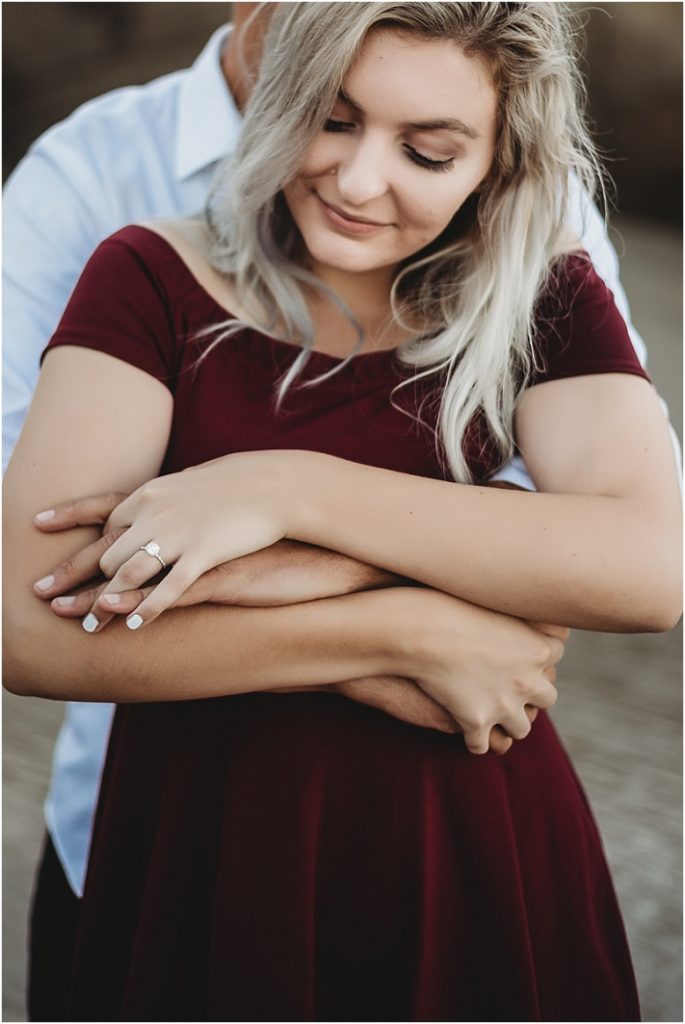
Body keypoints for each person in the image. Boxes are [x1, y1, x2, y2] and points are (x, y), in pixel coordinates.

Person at [4, 2, 681, 1020]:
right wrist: (402, 626)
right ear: (277, 95)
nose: (360, 180)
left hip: (470, 859)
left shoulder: (548, 297)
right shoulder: (144, 276)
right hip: (195, 848)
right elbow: (28, 629)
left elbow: (645, 569)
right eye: (331, 118)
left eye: (427, 150)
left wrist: (281, 491)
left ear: (496, 163)